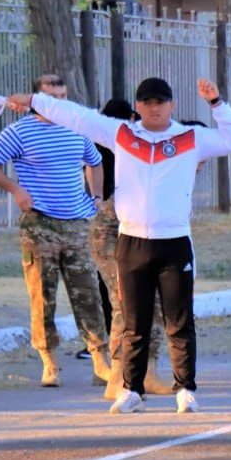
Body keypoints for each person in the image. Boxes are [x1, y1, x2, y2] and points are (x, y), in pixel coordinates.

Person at [5, 76, 231, 415]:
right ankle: (131, 389)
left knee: (179, 320)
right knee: (134, 320)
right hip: (132, 242)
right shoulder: (122, 133)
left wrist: (217, 103)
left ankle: (185, 388)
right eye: (148, 102)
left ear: (172, 105)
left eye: (161, 102)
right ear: (138, 107)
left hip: (174, 241)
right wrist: (34, 101)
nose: (155, 108)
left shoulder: (190, 138)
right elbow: (76, 115)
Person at [0, 74, 110, 387]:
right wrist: (15, 190)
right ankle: (49, 362)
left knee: (87, 292)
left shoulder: (76, 127)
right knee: (42, 295)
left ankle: (100, 360)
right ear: (36, 99)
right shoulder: (20, 131)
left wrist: (97, 198)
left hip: (77, 223)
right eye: (52, 96)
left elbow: (95, 160)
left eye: (63, 95)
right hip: (40, 223)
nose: (59, 102)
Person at [87, 99, 174, 401]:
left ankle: (147, 371)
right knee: (126, 301)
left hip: (144, 238)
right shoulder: (163, 165)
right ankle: (117, 376)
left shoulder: (181, 168)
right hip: (111, 235)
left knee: (158, 302)